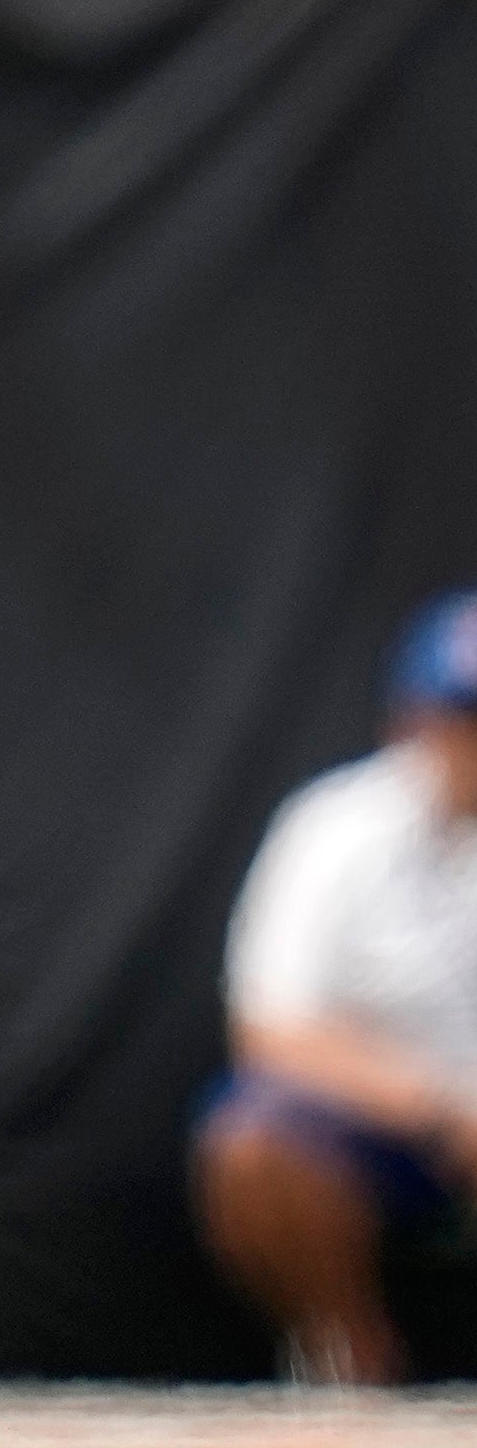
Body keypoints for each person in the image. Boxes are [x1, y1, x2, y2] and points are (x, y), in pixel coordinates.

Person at [196, 593, 477, 1384]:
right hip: (400, 1136)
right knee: (252, 1144)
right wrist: (443, 1108)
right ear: (412, 722)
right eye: (464, 719)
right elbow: (272, 1031)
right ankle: (348, 1361)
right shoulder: (335, 826)